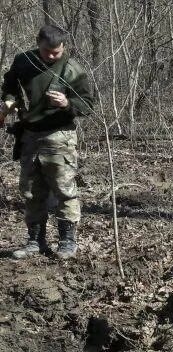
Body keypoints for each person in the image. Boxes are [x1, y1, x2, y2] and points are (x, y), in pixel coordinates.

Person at [2, 25, 94, 259]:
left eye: (57, 52)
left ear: (63, 47)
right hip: (30, 135)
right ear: (38, 43)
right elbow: (9, 85)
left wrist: (67, 103)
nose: (52, 56)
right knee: (31, 191)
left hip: (59, 135)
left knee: (64, 189)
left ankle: (67, 242)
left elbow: (87, 105)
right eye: (47, 51)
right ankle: (35, 242)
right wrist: (9, 101)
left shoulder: (72, 69)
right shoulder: (23, 61)